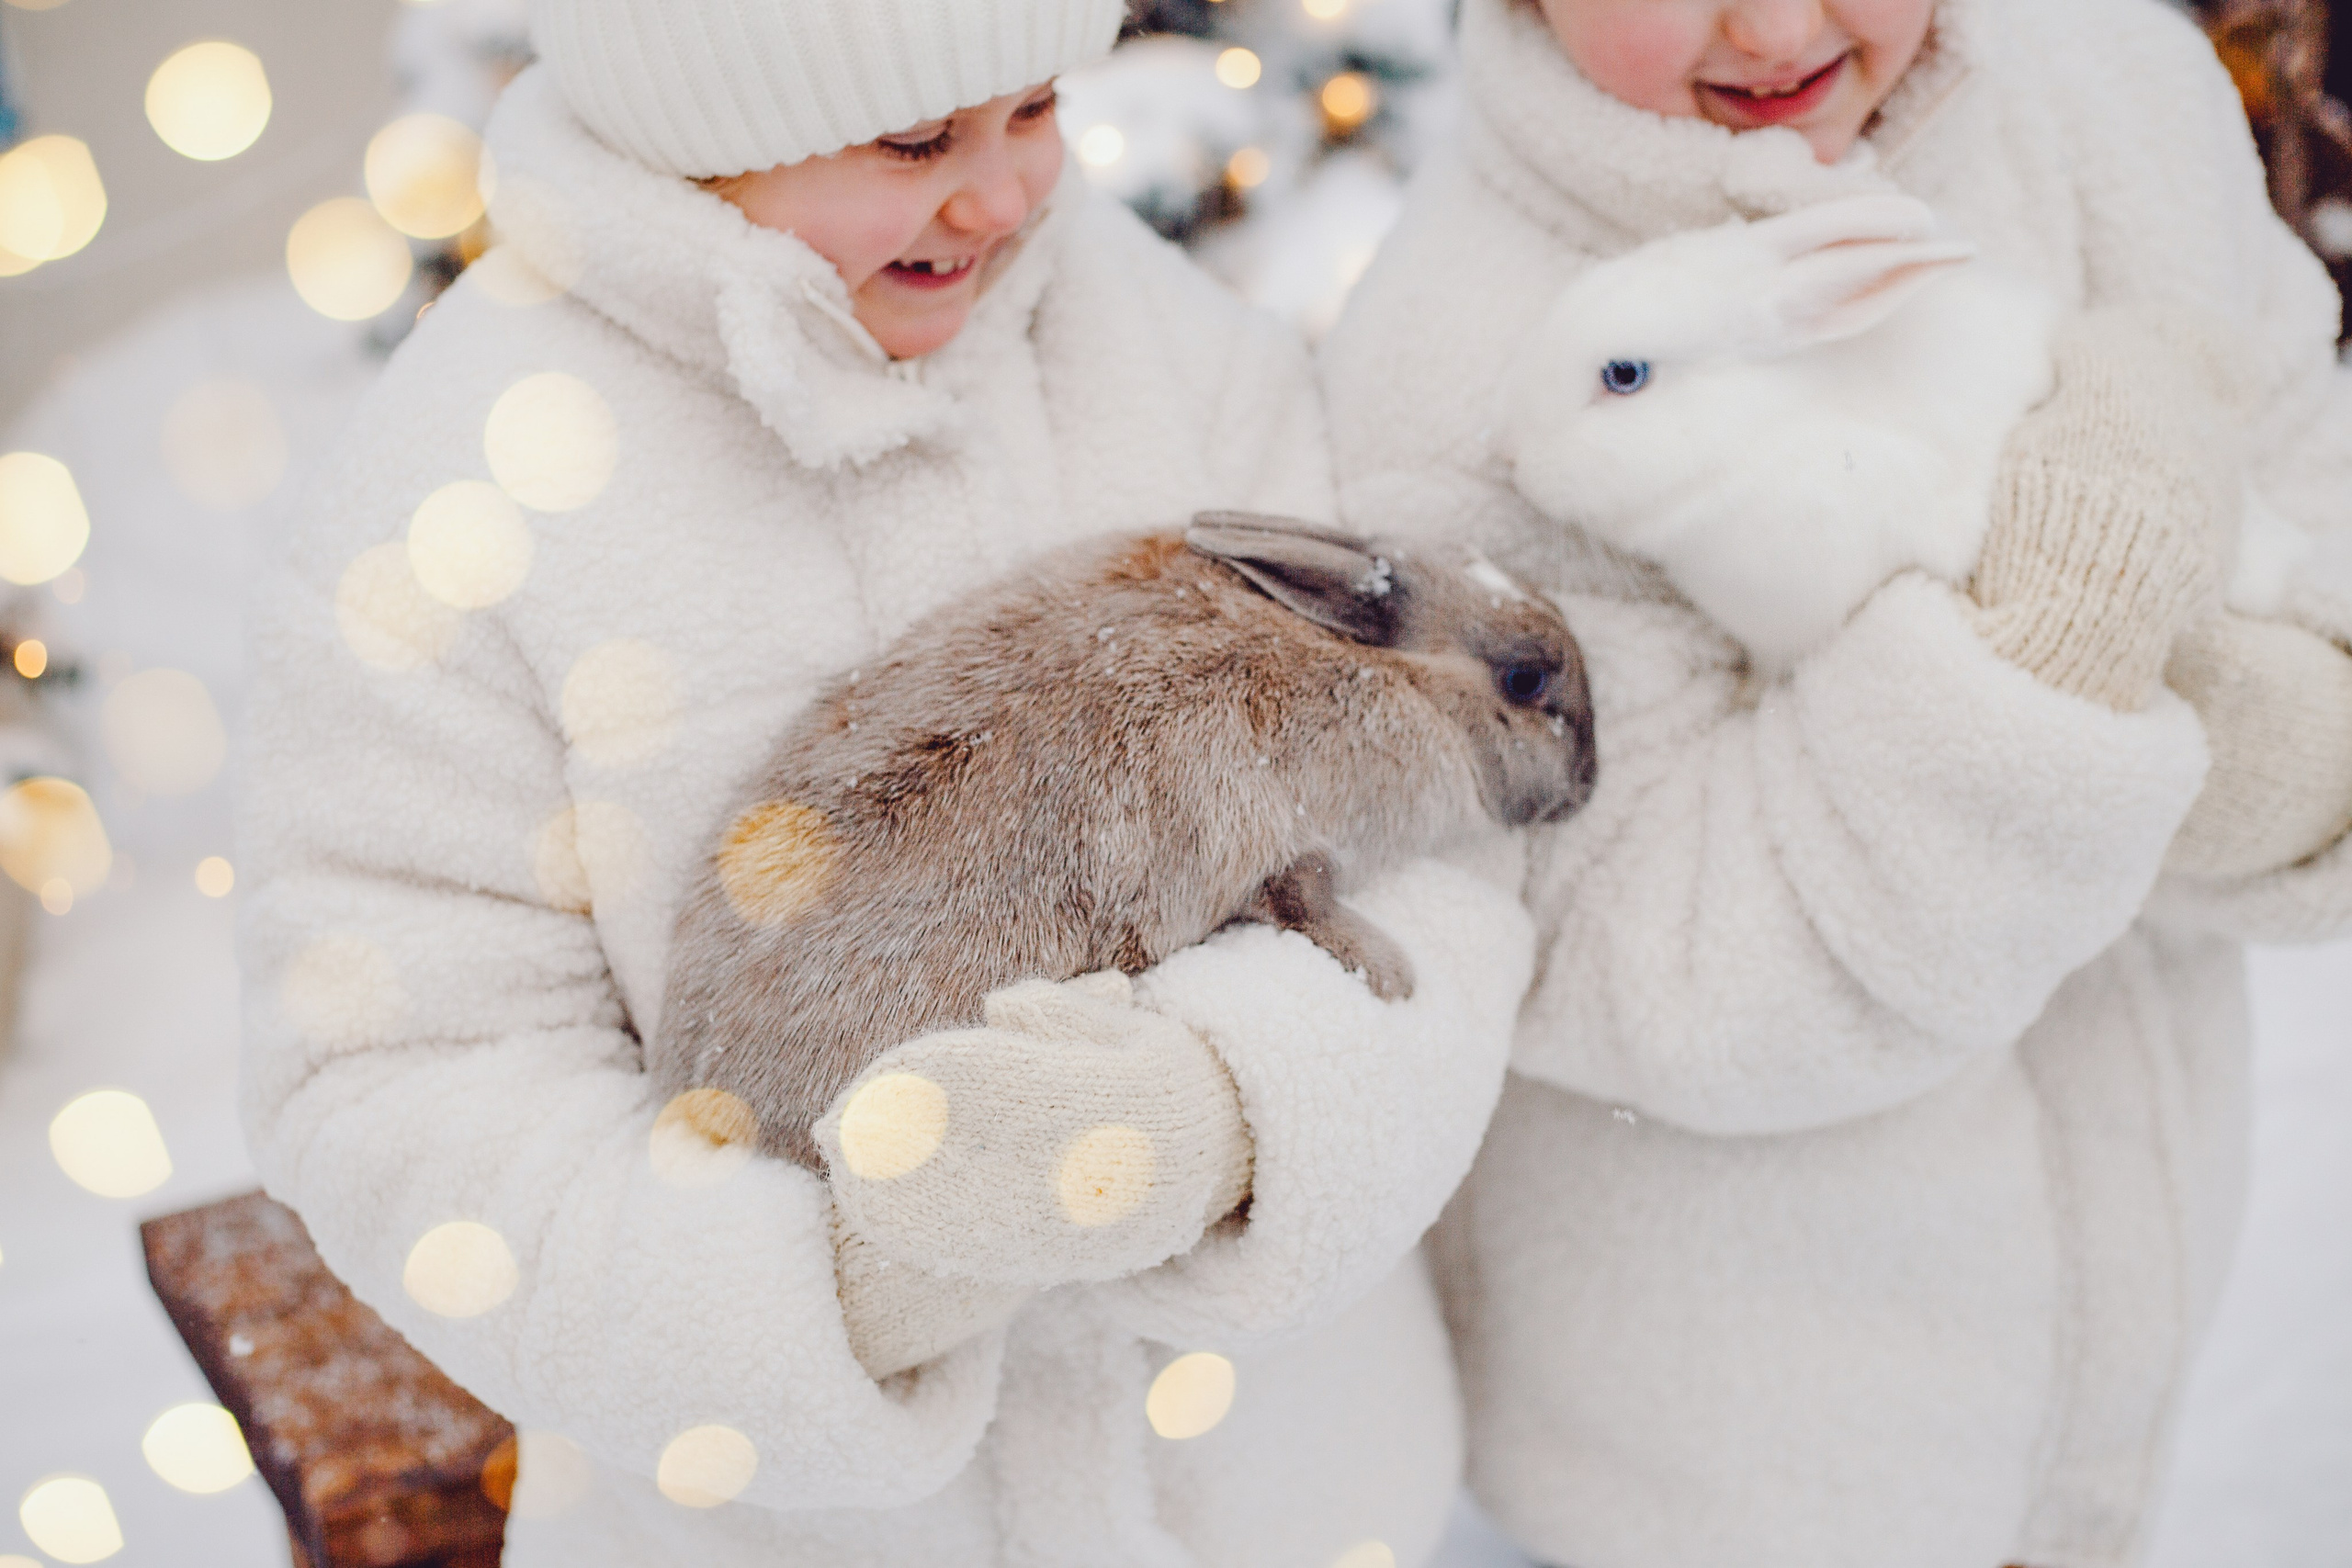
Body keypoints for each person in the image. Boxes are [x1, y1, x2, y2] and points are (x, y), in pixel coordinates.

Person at [236, 1, 1534, 1563]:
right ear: (703, 122)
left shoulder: (1155, 337)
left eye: (1035, 106)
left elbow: (1441, 843)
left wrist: (1229, 1114)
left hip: (1283, 1512)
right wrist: (854, 1286)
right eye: (917, 142)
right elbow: (404, 1072)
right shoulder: (470, 484)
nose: (1004, 196)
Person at [1317, 0, 2352, 1565]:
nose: (1779, 27)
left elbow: (2303, 475)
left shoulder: (2104, 87)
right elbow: (1654, 966)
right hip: (1743, 1461)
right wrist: (2052, 659)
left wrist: (2276, 750)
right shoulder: (1452, 374)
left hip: (2119, 1354)